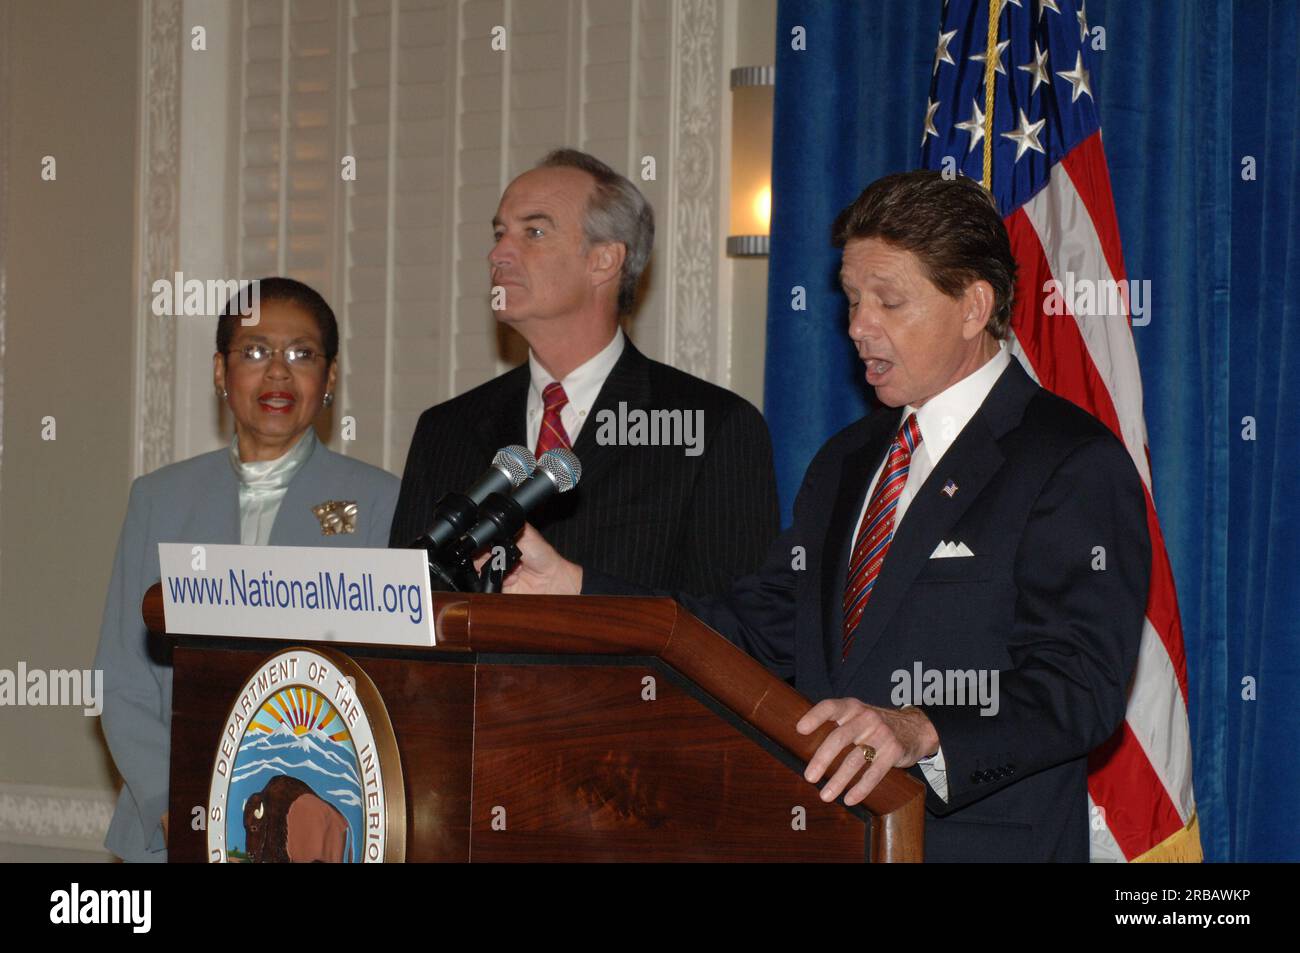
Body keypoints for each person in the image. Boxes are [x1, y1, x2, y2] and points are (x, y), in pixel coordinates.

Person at [495, 171, 1152, 862]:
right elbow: (752, 630)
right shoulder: (848, 458)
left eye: (889, 302)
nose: (857, 326)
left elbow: (1081, 685)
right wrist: (577, 588)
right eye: (852, 299)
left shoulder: (1069, 459)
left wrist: (918, 726)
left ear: (973, 306)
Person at [94, 277, 399, 862]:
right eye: (255, 352)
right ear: (219, 372)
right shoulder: (159, 498)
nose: (278, 374)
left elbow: (385, 689)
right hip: (170, 829)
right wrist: (174, 803)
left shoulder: (380, 503)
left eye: (302, 354)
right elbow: (121, 676)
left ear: (329, 379)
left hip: (317, 826)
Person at [389, 148, 779, 594]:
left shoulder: (709, 427)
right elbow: (404, 611)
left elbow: (734, 633)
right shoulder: (445, 429)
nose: (498, 254)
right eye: (499, 233)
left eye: (533, 231)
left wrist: (580, 587)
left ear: (605, 261)